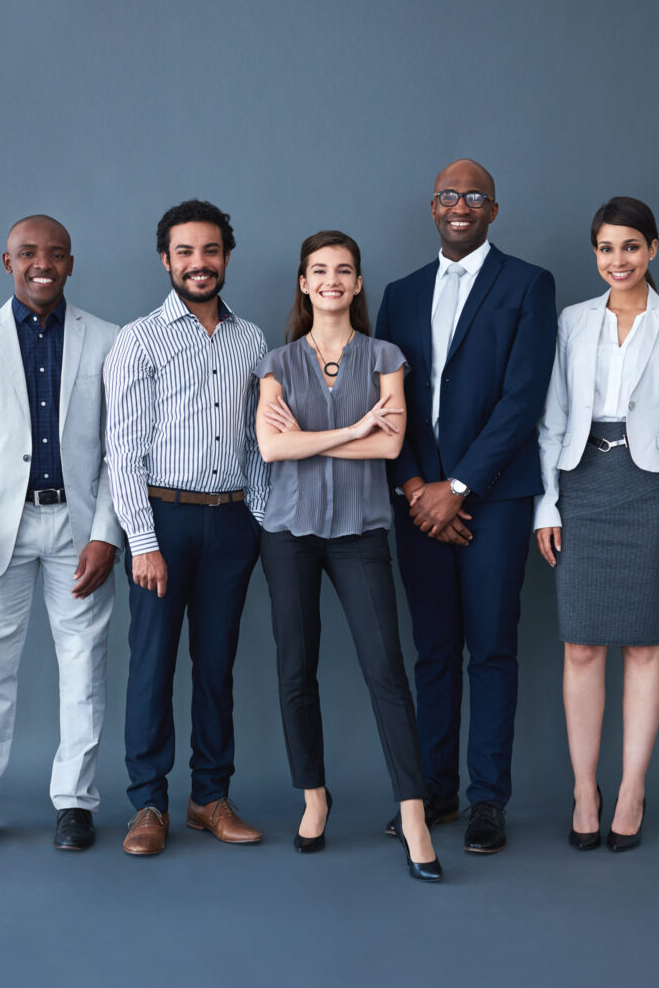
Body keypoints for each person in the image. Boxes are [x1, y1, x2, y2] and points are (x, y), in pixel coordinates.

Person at [375, 159, 557, 853]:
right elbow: (389, 399)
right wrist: (419, 486)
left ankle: (486, 801)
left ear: (493, 210)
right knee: (432, 652)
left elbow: (522, 398)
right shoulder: (399, 293)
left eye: (474, 197)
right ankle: (435, 794)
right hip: (417, 500)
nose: (461, 206)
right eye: (449, 196)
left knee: (491, 648)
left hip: (495, 500)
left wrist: (459, 487)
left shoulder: (526, 285)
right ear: (431, 207)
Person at [255, 230, 441, 882]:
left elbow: (389, 451)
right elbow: (271, 452)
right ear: (303, 284)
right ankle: (313, 797)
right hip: (288, 533)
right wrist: (354, 428)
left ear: (357, 283)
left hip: (362, 532)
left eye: (343, 270)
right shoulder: (275, 363)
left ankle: (412, 813)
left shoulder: (385, 356)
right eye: (318, 270)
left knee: (386, 670)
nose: (331, 279)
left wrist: (315, 438)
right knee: (293, 669)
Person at [0, 215, 122, 853]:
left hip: (80, 528)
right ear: (7, 261)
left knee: (83, 669)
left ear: (71, 263)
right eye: (28, 254)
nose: (42, 263)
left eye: (56, 254)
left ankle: (75, 803)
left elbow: (118, 452)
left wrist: (107, 535)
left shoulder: (107, 340)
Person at [534, 197, 659, 851]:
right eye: (605, 248)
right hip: (580, 489)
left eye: (630, 247)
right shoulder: (572, 322)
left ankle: (630, 787)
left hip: (648, 493)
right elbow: (550, 421)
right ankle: (586, 788)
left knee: (641, 644)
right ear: (594, 253)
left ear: (652, 250)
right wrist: (545, 505)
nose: (617, 260)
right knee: (580, 645)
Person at [104, 200, 269, 856]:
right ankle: (147, 804)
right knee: (151, 664)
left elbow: (257, 444)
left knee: (216, 666)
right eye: (184, 252)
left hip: (230, 522)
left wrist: (256, 521)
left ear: (226, 256)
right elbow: (124, 449)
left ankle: (209, 798)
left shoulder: (251, 340)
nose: (198, 263)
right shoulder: (138, 339)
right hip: (161, 521)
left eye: (209, 251)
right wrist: (141, 540)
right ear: (165, 260)